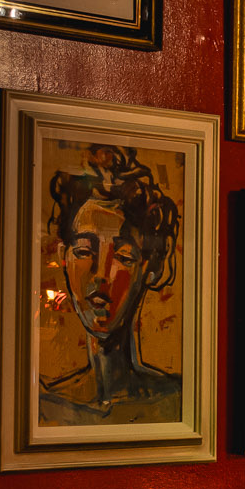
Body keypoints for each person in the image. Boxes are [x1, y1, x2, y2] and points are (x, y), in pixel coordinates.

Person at [39, 144, 183, 424]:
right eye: (84, 252)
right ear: (63, 257)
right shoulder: (46, 406)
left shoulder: (176, 399)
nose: (100, 274)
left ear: (150, 267)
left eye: (123, 256)